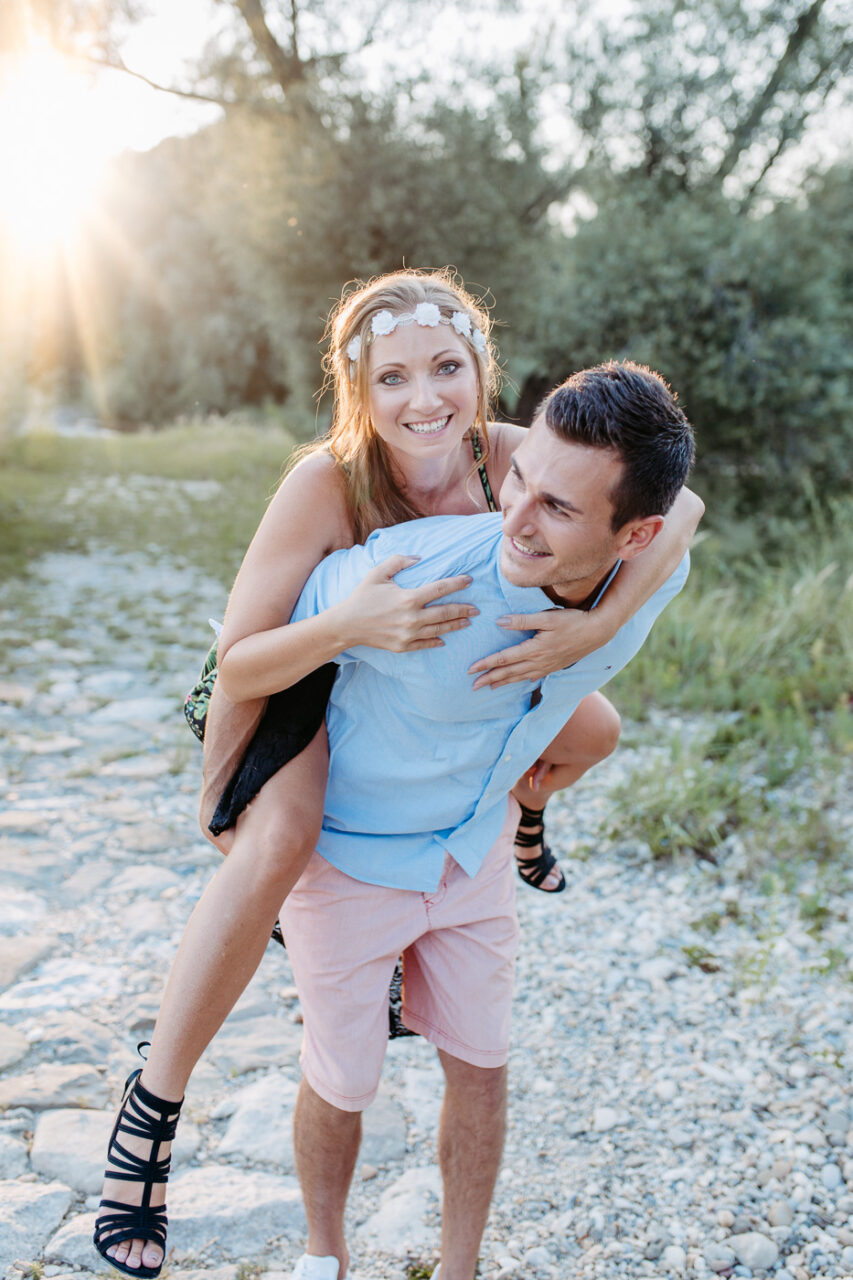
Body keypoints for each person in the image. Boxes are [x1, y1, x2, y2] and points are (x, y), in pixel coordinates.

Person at [94, 272, 703, 1278]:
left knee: (595, 729)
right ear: (356, 388)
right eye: (393, 377)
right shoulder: (326, 482)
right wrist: (343, 631)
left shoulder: (511, 454)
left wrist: (593, 626)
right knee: (282, 843)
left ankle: (523, 819)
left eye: (448, 368)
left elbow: (678, 501)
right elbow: (239, 659)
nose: (425, 398)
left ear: (481, 371)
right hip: (304, 676)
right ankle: (151, 1112)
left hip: (448, 698)